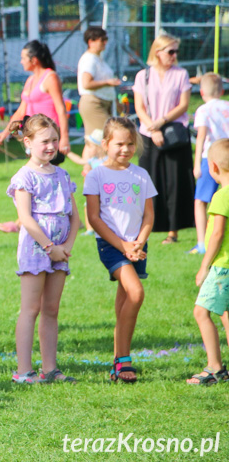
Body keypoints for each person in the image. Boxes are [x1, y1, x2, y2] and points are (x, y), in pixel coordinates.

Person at [6, 114, 79, 384]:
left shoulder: (62, 174)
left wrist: (66, 247)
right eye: (45, 141)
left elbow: (75, 217)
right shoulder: (24, 176)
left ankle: (50, 368)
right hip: (36, 249)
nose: (51, 146)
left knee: (51, 309)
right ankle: (24, 371)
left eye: (55, 140)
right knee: (31, 309)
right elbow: (25, 218)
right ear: (28, 142)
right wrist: (50, 247)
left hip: (60, 250)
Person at [84, 117, 156, 383]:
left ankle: (118, 358)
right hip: (112, 245)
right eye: (119, 144)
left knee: (125, 297)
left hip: (136, 244)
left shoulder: (141, 174)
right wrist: (123, 245)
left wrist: (139, 241)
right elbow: (94, 218)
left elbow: (149, 215)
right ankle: (122, 359)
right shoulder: (96, 175)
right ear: (105, 144)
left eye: (130, 144)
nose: (125, 149)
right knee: (136, 293)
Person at [0, 41, 70, 233]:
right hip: (34, 139)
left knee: (45, 179)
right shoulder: (29, 81)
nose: (20, 62)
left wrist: (64, 139)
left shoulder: (50, 77)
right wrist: (5, 132)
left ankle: (26, 222)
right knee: (35, 179)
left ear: (34, 60)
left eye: (23, 58)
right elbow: (22, 110)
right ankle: (25, 222)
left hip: (48, 140)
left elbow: (61, 109)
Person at [133, 33, 195, 244]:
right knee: (148, 181)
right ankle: (146, 227)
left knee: (175, 182)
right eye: (170, 51)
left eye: (176, 51)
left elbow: (184, 105)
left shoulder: (181, 74)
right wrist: (152, 127)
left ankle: (173, 230)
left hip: (174, 133)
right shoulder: (143, 76)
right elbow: (139, 107)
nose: (174, 55)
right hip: (148, 134)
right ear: (157, 52)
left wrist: (161, 123)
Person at [188, 139, 229, 385]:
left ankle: (215, 367)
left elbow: (216, 234)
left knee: (201, 312)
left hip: (223, 267)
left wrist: (205, 266)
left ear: (212, 167)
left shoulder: (220, 197)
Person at [190, 73, 229, 255]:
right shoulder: (227, 106)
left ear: (202, 92)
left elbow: (201, 136)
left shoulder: (203, 110)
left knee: (200, 201)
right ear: (221, 90)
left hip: (211, 158)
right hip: (227, 156)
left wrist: (197, 163)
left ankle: (201, 243)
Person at [77, 27, 121, 162]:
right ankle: (91, 172)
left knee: (97, 139)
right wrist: (108, 82)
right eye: (102, 40)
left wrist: (115, 102)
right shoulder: (89, 59)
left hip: (103, 102)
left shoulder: (98, 59)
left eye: (106, 39)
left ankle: (92, 172)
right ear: (91, 41)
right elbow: (86, 83)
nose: (105, 43)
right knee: (100, 140)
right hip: (94, 103)